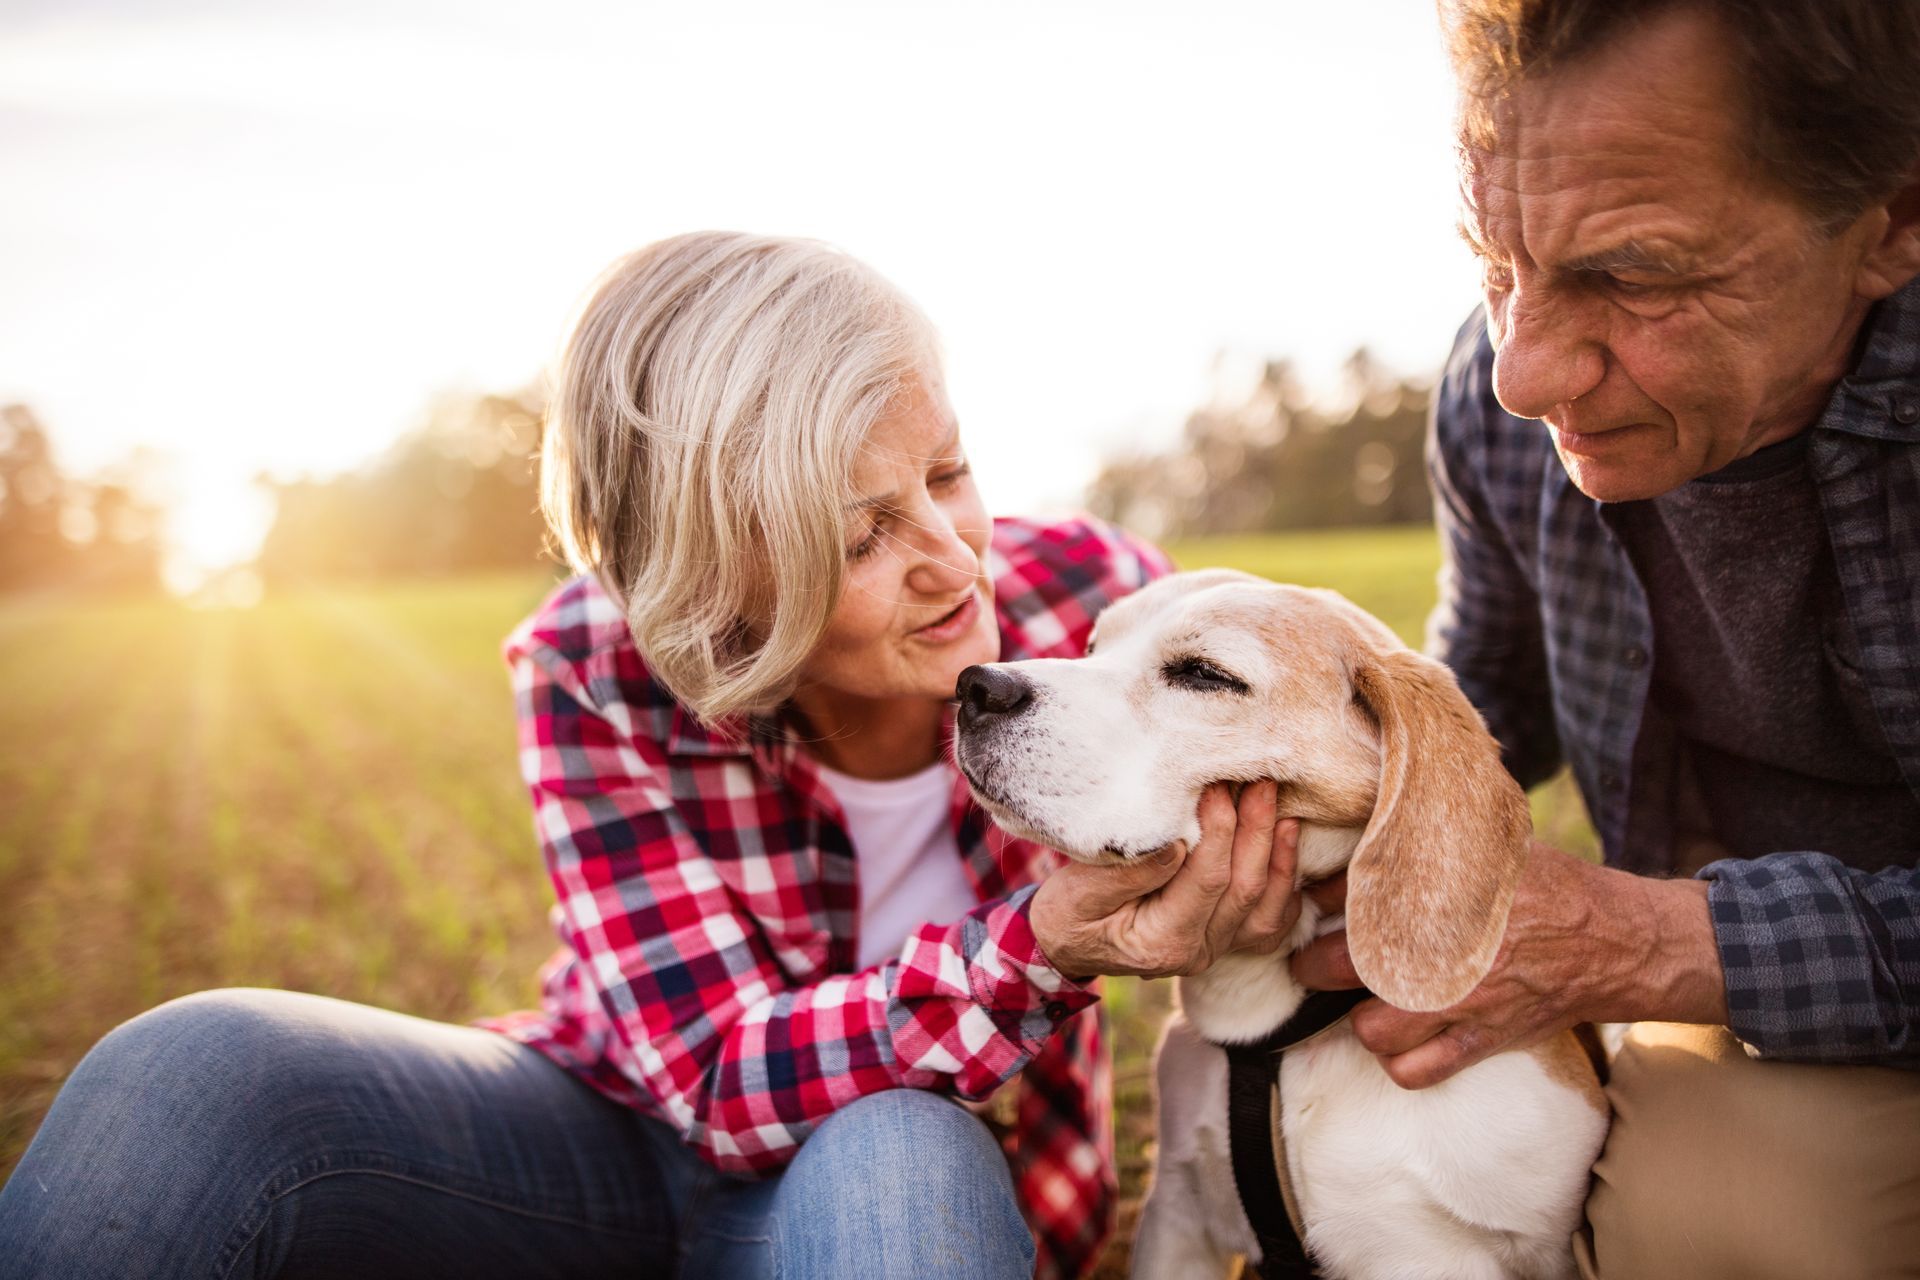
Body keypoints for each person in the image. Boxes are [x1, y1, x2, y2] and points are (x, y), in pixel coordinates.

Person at [0, 232, 1312, 1279]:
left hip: (902, 1214)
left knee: (905, 1147)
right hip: (604, 1157)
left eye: (950, 472)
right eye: (859, 540)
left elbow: (1328, 788)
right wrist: (1038, 946)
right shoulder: (598, 660)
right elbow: (711, 1074)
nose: (955, 555)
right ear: (710, 585)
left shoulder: (1106, 608)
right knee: (195, 1074)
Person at [1291, 3, 1920, 1276]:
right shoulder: (1494, 392)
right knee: (1705, 1216)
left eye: (1632, 275)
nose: (1522, 372)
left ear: (1894, 222)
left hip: (1734, 949)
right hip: (1738, 973)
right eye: (1496, 258)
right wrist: (1270, 789)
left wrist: (1652, 942)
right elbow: (1487, 707)